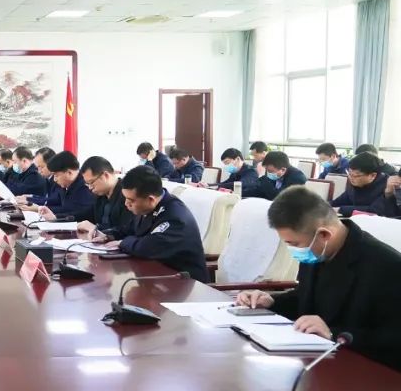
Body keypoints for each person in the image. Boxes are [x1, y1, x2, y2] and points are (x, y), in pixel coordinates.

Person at [237, 187, 401, 370]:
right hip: (313, 362)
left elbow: (394, 338)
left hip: (364, 372)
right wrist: (271, 301)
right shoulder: (317, 251)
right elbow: (306, 297)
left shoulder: (387, 266)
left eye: (294, 244)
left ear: (324, 235)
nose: (293, 250)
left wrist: (333, 334)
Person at [93, 166, 208, 282]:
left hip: (185, 283)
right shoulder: (147, 207)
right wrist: (108, 235)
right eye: (125, 198)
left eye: (131, 200)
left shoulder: (175, 216)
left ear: (151, 199)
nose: (126, 204)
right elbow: (129, 228)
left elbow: (148, 246)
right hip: (155, 276)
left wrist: (122, 243)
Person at [24, 151, 95, 222]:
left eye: (56, 175)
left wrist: (55, 217)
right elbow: (56, 201)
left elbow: (79, 213)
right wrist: (31, 200)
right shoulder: (66, 185)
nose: (55, 180)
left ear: (69, 173)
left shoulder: (85, 187)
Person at [77, 156, 134, 240]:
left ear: (105, 175)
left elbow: (127, 229)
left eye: (91, 182)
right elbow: (87, 214)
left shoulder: (127, 194)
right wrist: (60, 218)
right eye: (87, 184)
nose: (90, 187)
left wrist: (96, 230)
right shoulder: (100, 195)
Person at [330, 152, 389, 216]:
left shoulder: (387, 187)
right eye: (349, 173)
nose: (351, 178)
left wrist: (340, 210)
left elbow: (374, 211)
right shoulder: (356, 185)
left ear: (372, 175)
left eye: (356, 175)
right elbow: (336, 203)